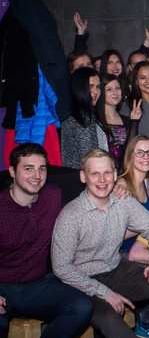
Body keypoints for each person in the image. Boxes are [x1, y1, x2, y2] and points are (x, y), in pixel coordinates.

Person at [51, 149, 149, 338]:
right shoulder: (71, 215)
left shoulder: (123, 201)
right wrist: (104, 292)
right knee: (109, 318)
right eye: (95, 174)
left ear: (114, 175)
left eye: (107, 173)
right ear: (83, 176)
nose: (102, 180)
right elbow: (61, 268)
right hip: (81, 281)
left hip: (114, 268)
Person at [0, 144, 93, 338]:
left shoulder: (53, 196)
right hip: (3, 287)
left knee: (81, 307)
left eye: (42, 168)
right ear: (12, 172)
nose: (37, 175)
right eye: (28, 168)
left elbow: (87, 204)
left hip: (39, 284)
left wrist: (120, 186)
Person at [61, 67, 108, 169]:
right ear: (80, 88)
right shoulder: (78, 120)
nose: (96, 91)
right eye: (91, 86)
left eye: (98, 87)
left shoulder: (90, 115)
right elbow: (89, 159)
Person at [97, 74, 138, 172]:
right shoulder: (96, 120)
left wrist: (134, 121)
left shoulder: (127, 120)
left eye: (117, 88)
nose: (115, 92)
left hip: (126, 172)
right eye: (109, 89)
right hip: (103, 172)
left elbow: (131, 148)